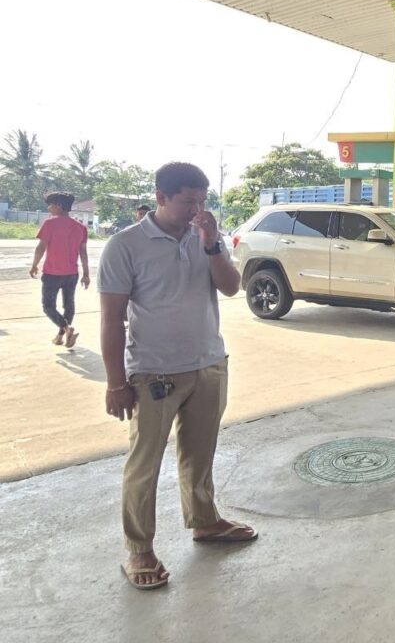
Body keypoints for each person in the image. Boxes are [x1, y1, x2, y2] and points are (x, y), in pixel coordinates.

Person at [98, 162, 256, 591]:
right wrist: (116, 383)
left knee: (200, 453)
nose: (197, 210)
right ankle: (139, 549)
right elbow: (111, 319)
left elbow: (230, 287)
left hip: (208, 363)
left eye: (202, 201)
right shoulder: (125, 245)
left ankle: (205, 521)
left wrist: (211, 243)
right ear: (161, 198)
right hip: (153, 372)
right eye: (188, 201)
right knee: (144, 463)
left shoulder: (205, 238)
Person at [30, 191, 90, 347]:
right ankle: (61, 335)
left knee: (48, 306)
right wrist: (86, 274)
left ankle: (65, 328)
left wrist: (34, 265)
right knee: (68, 305)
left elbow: (41, 247)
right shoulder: (81, 227)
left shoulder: (50, 223)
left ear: (59, 205)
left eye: (50, 205)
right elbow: (83, 253)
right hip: (72, 274)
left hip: (52, 273)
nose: (49, 208)